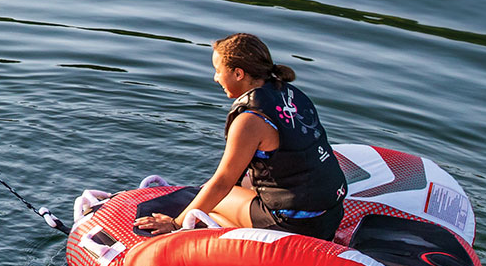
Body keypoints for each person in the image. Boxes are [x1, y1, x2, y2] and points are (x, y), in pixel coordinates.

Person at [135, 33, 348, 241]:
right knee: (239, 184)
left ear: (238, 73)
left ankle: (209, 232)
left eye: (218, 71)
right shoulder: (290, 94)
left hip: (297, 226)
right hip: (331, 215)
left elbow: (222, 184)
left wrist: (176, 223)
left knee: (211, 198)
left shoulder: (250, 120)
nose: (215, 78)